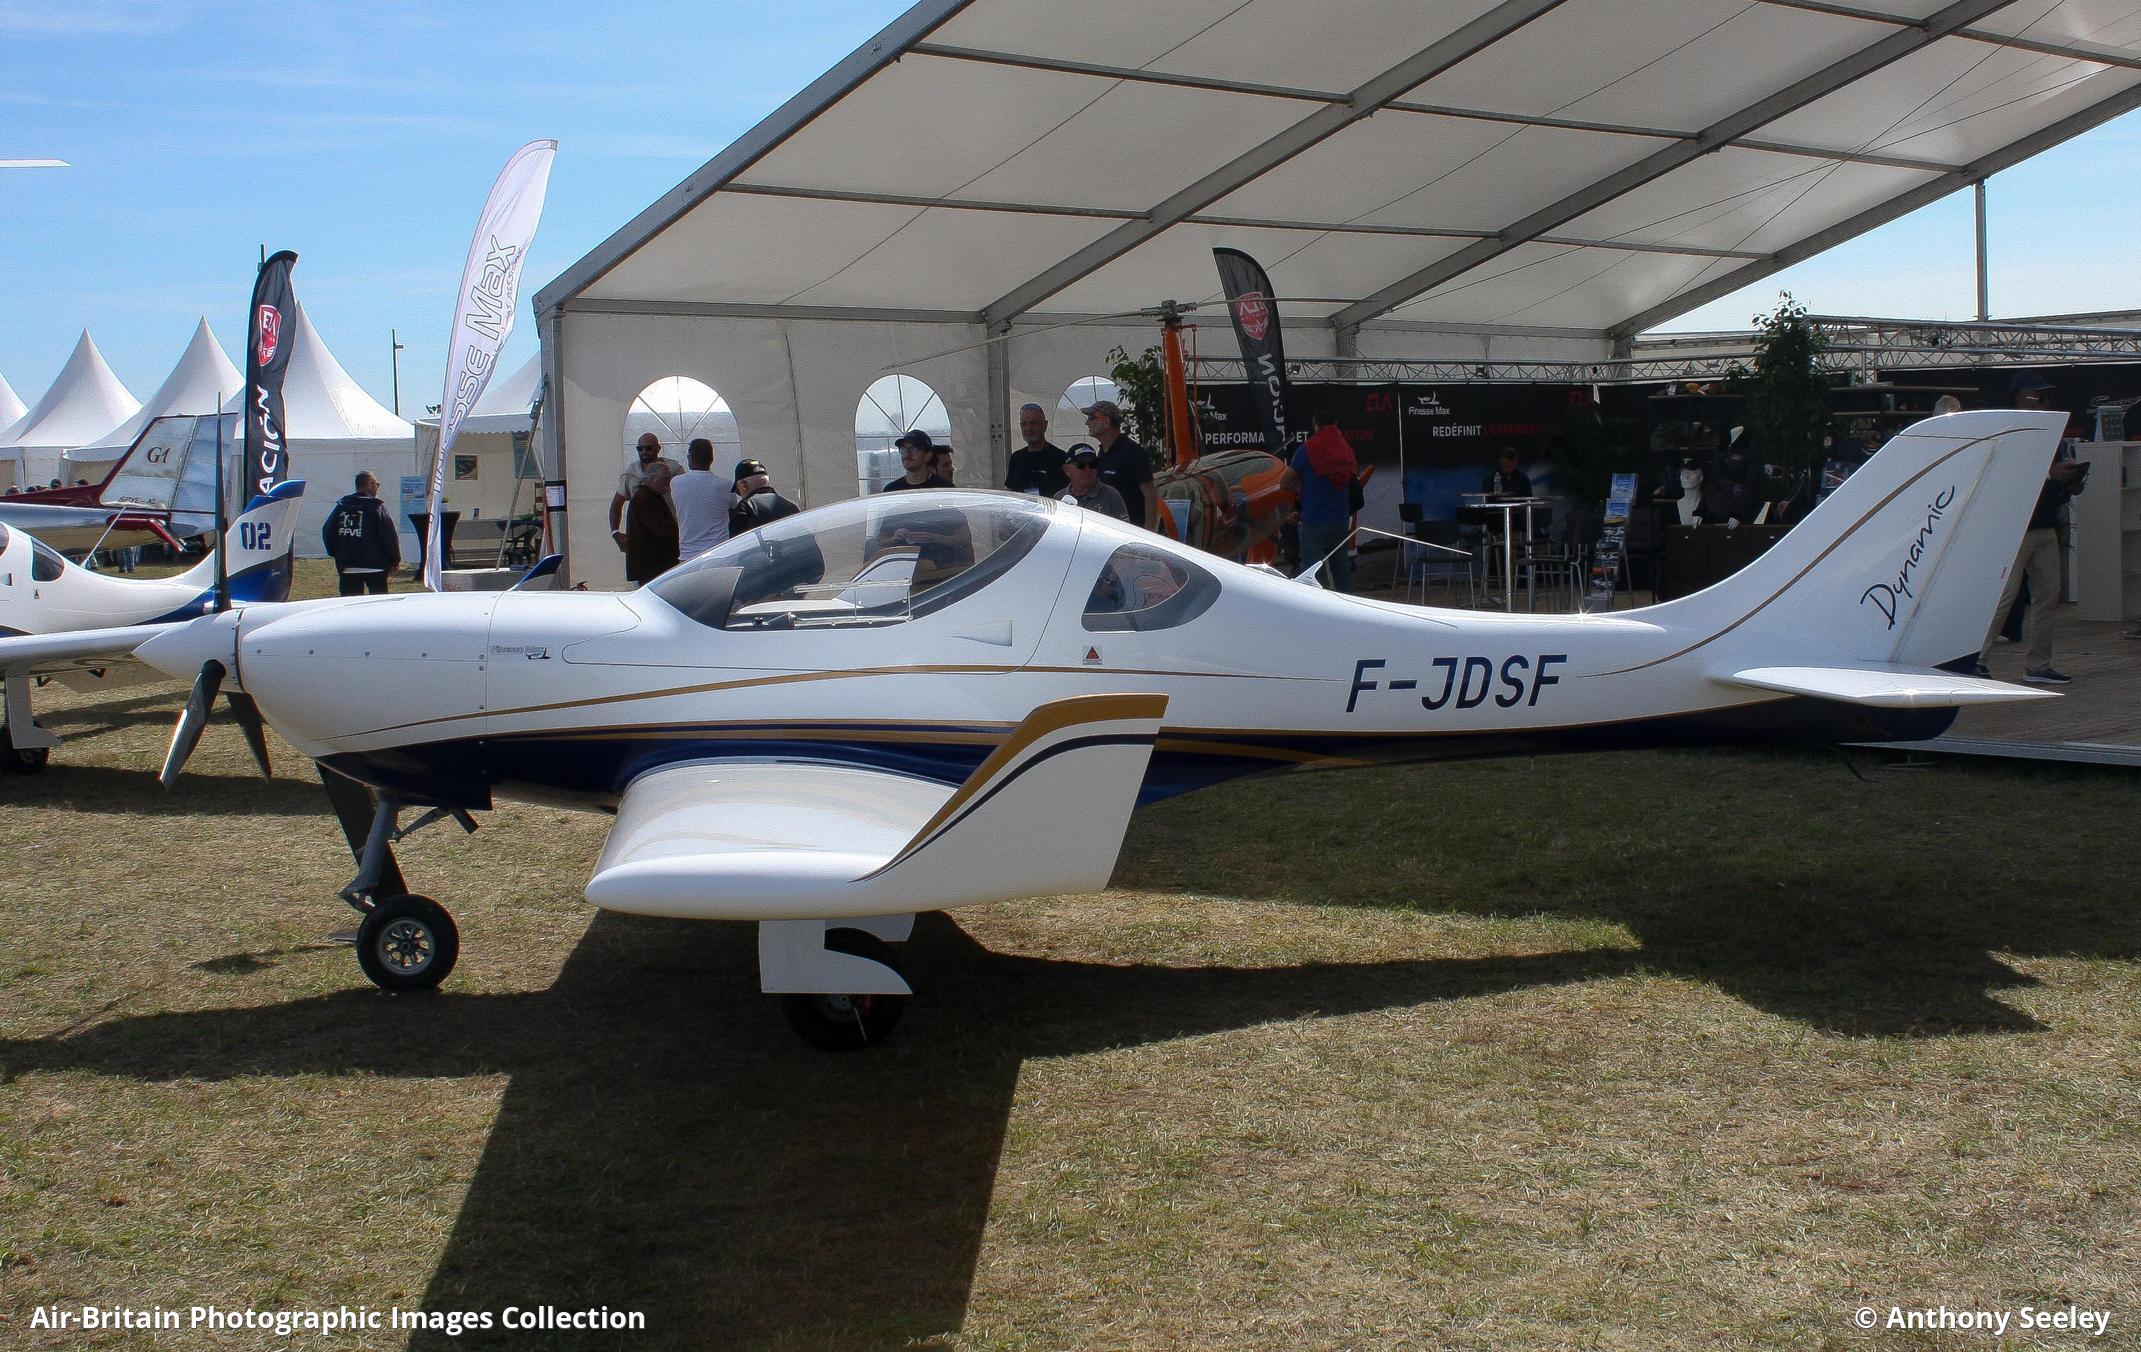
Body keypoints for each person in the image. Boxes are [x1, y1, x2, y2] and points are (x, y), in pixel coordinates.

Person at [1979, 373, 2085, 683]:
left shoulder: (2051, 437)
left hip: (2043, 524)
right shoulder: (2009, 432)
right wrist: (2051, 475)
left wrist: (2068, 482)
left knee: (2047, 597)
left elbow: (2045, 482)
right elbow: (2006, 479)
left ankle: (2038, 665)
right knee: (2005, 596)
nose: (2043, 402)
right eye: (2036, 396)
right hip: (2014, 527)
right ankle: (1976, 659)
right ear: (2018, 397)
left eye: (2046, 397)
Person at [1282, 407, 1359, 593]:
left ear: (1315, 424)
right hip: (1340, 521)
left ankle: (1319, 609)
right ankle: (1347, 608)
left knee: (1314, 580)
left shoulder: (1307, 450)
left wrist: (1301, 487)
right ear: (1336, 424)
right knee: (1342, 576)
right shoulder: (1346, 449)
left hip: (1313, 522)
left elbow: (1284, 483)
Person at [323, 471, 402, 596]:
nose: (378, 487)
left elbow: (328, 531)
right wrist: (394, 560)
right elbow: (388, 535)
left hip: (348, 565)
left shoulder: (341, 507)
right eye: (376, 484)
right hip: (375, 565)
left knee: (351, 605)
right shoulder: (376, 507)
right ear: (369, 484)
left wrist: (336, 552)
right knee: (379, 604)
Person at [1083, 400, 1156, 531]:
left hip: (1131, 531)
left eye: (1091, 418)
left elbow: (1150, 494)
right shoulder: (1102, 452)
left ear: (1105, 421)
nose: (1087, 423)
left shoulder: (1133, 452)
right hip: (1108, 530)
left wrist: (1149, 531)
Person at [610, 433, 683, 555]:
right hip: (640, 537)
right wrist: (615, 532)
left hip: (668, 533)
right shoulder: (631, 474)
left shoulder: (674, 470)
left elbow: (686, 499)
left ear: (658, 448)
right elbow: (617, 503)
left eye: (648, 448)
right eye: (640, 448)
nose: (644, 452)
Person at [669, 437, 733, 561]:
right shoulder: (726, 486)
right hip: (719, 553)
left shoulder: (676, 483)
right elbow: (733, 508)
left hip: (688, 555)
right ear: (712, 459)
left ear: (690, 458)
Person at [624, 460, 680, 583]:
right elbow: (662, 529)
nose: (668, 485)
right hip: (652, 565)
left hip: (653, 565)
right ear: (653, 478)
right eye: (665, 479)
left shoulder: (648, 496)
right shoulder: (645, 499)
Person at [1005, 402, 1069, 497]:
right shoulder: (1016, 458)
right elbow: (1010, 491)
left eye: (1034, 423)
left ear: (1045, 425)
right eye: (1024, 424)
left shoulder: (1060, 458)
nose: (1028, 428)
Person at [729, 458, 801, 537]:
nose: (740, 495)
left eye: (738, 491)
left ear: (744, 486)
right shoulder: (792, 507)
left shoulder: (744, 508)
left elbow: (737, 542)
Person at [1057, 445, 1128, 519]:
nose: (1088, 469)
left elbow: (1124, 525)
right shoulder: (1059, 497)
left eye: (1093, 464)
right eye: (1081, 465)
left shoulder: (1111, 496)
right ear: (1067, 470)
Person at [881, 429, 952, 492]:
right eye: (903, 449)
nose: (907, 454)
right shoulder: (891, 490)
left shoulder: (944, 489)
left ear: (927, 455)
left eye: (913, 449)